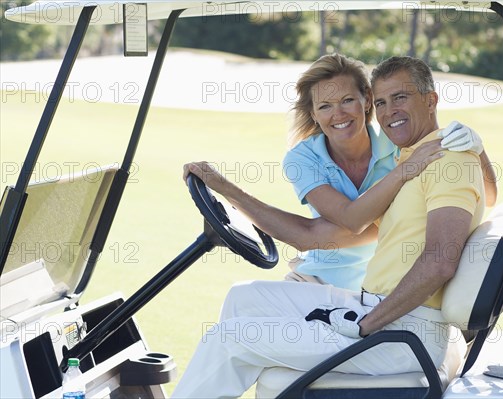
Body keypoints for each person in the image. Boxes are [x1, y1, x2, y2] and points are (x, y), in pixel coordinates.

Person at [172, 55, 486, 398]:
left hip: (402, 330)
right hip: (382, 311)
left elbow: (440, 260)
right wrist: (226, 189)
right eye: (383, 101)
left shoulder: (443, 159)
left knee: (230, 338)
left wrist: (367, 324)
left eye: (400, 97)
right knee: (242, 298)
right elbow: (320, 234)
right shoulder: (410, 158)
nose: (389, 110)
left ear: (431, 99)